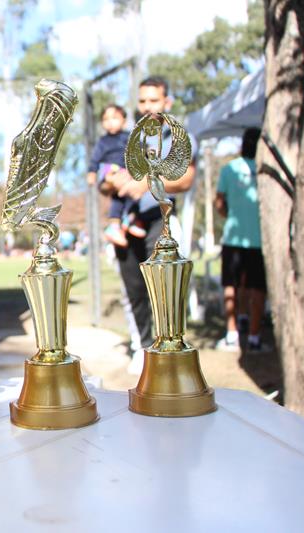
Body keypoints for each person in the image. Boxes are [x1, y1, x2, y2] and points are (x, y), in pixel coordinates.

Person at [98, 77, 198, 374]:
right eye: (142, 101)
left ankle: (168, 349)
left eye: (153, 100)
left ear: (167, 102)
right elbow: (105, 184)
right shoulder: (128, 138)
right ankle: (141, 347)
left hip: (160, 221)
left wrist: (146, 183)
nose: (147, 106)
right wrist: (112, 181)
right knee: (133, 290)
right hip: (127, 225)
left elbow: (186, 178)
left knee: (165, 292)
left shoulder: (178, 136)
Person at [214, 128, 267, 353]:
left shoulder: (229, 169)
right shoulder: (266, 171)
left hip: (233, 239)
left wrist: (231, 215)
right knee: (258, 288)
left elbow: (219, 203)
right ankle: (254, 338)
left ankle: (231, 334)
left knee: (231, 285)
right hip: (260, 240)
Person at [87, 105, 144, 247]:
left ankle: (130, 219)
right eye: (106, 119)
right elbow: (95, 158)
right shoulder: (103, 141)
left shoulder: (129, 136)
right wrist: (92, 172)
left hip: (128, 170)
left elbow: (138, 148)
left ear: (124, 120)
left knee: (131, 194)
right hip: (111, 170)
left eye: (114, 118)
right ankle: (114, 225)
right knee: (118, 197)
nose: (110, 122)